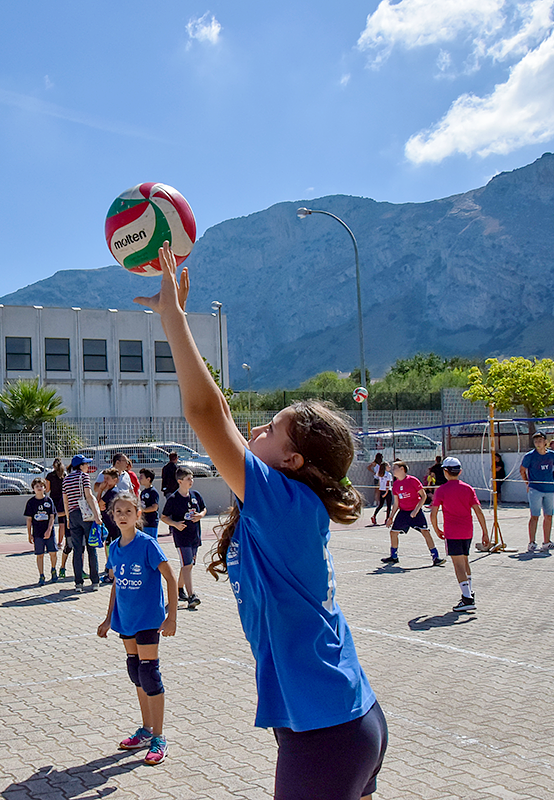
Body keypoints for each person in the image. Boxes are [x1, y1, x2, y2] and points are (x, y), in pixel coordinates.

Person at [135, 241, 386, 800]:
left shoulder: (283, 502)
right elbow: (220, 411)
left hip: (326, 733)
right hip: (346, 720)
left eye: (270, 431)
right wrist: (177, 314)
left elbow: (204, 414)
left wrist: (172, 317)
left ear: (292, 461)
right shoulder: (288, 501)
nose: (256, 433)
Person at [97, 491, 178, 766]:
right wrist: (108, 618)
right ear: (112, 515)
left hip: (148, 619)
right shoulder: (114, 547)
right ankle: (145, 731)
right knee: (135, 671)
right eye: (118, 512)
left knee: (149, 673)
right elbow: (116, 585)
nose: (122, 516)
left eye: (128, 512)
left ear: (137, 515)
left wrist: (172, 618)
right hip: (125, 618)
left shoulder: (147, 545)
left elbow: (171, 578)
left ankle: (159, 737)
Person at [429, 457, 490, 613]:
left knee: (458, 566)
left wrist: (436, 529)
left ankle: (467, 598)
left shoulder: (441, 490)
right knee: (465, 561)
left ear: (445, 472)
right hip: (467, 531)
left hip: (452, 532)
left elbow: (434, 513)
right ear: (460, 471)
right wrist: (485, 532)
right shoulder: (468, 488)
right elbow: (478, 511)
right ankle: (469, 592)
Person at [380, 461, 444, 566]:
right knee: (393, 533)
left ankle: (436, 557)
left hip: (416, 511)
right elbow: (396, 503)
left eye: (395, 468)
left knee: (425, 532)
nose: (393, 469)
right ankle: (394, 556)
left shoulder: (413, 480)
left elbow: (423, 496)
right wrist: (390, 517)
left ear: (402, 469)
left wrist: (416, 510)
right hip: (404, 512)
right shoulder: (395, 484)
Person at [160, 467, 206, 610]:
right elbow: (164, 517)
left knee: (189, 565)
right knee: (187, 565)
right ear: (180, 481)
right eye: (188, 479)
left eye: (192, 478)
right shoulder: (173, 499)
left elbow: (204, 509)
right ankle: (192, 595)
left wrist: (201, 515)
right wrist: (174, 524)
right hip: (182, 537)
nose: (191, 481)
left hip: (194, 535)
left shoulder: (195, 495)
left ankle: (179, 589)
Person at [62, 454, 101, 591]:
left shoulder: (66, 480)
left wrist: (67, 518)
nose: (88, 466)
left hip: (72, 515)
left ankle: (78, 582)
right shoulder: (83, 477)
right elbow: (89, 496)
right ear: (81, 465)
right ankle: (95, 581)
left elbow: (65, 501)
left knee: (77, 550)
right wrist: (97, 515)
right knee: (92, 547)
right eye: (86, 464)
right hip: (86, 514)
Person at [520, 432, 554, 552]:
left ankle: (547, 542)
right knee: (534, 516)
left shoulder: (552, 455)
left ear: (545, 442)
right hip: (535, 489)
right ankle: (532, 542)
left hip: (549, 489)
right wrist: (528, 484)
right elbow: (522, 470)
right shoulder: (530, 456)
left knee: (549, 515)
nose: (538, 443)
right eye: (535, 441)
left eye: (540, 440)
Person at [24, 478, 58, 585]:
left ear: (45, 488)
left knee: (53, 553)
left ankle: (53, 569)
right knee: (40, 554)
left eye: (41, 486)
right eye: (37, 486)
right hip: (37, 532)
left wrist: (49, 530)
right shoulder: (31, 502)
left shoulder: (49, 501)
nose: (39, 488)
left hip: (48, 532)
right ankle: (41, 575)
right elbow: (29, 519)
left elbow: (52, 517)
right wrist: (29, 534)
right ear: (33, 489)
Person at [45, 458, 69, 576]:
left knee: (50, 520)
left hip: (53, 499)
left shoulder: (50, 475)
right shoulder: (64, 475)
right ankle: (60, 542)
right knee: (62, 523)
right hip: (63, 499)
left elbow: (47, 489)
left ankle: (51, 541)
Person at [369, 462, 393, 527]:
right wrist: (386, 492)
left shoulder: (379, 473)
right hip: (387, 491)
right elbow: (387, 484)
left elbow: (380, 482)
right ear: (385, 467)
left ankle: (374, 516)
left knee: (380, 505)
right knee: (388, 506)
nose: (390, 467)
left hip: (381, 490)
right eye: (388, 466)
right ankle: (387, 519)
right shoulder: (388, 474)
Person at [139, 468, 161, 539]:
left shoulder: (153, 492)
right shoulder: (143, 492)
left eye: (142, 477)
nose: (140, 479)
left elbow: (154, 507)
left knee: (151, 540)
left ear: (148, 479)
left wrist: (143, 510)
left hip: (151, 522)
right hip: (144, 521)